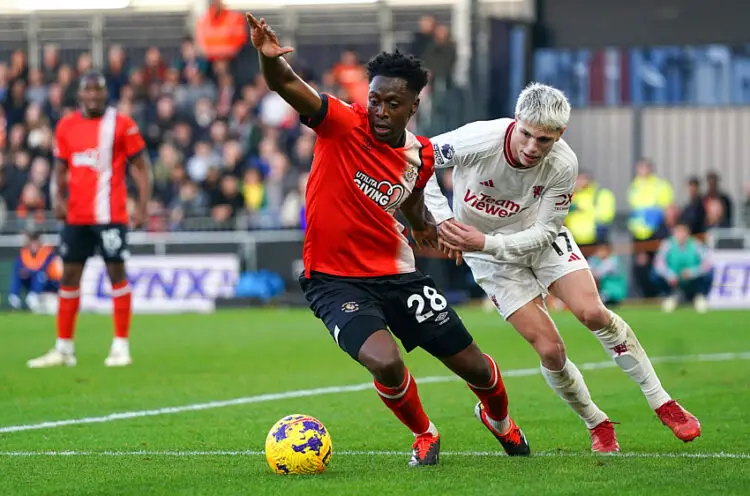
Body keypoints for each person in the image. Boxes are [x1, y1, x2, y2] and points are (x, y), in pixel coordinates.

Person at [246, 13, 529, 467]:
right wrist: (267, 59)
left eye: (392, 104)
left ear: (412, 105)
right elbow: (286, 84)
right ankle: (424, 432)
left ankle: (498, 419)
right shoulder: (340, 122)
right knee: (385, 361)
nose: (380, 111)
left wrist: (427, 230)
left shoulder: (421, 156)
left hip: (398, 275)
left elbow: (414, 206)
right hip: (335, 281)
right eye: (374, 100)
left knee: (474, 365)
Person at [424, 82, 701, 453]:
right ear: (515, 122)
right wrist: (442, 220)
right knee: (551, 351)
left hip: (537, 242)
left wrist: (483, 241)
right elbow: (417, 159)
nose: (531, 148)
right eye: (526, 134)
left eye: (544, 140)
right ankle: (597, 422)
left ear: (560, 135)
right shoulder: (478, 139)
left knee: (592, 312)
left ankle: (662, 400)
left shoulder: (563, 163)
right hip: (489, 258)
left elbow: (544, 233)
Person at [27, 71, 152, 368]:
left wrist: (142, 206)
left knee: (116, 275)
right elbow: (59, 169)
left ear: (105, 94)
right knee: (69, 277)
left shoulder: (122, 124)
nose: (94, 95)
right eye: (89, 91)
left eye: (99, 90)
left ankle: (121, 345)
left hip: (111, 215)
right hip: (76, 216)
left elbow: (141, 167)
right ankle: (64, 349)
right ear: (80, 95)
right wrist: (57, 199)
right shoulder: (66, 126)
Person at [653, 222, 713, 313]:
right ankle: (670, 296)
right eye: (678, 232)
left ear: (688, 233)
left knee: (710, 273)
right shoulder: (667, 244)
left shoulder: (696, 244)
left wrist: (693, 272)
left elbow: (707, 263)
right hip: (673, 279)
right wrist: (670, 274)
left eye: (683, 232)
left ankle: (700, 296)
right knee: (654, 275)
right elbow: (658, 263)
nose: (680, 235)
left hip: (693, 279)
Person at [8, 230, 61, 311]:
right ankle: (14, 297)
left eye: (35, 242)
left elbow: (44, 268)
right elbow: (19, 266)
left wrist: (29, 272)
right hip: (30, 280)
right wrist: (25, 272)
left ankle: (33, 296)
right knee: (18, 274)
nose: (34, 245)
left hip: (50, 282)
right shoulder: (25, 253)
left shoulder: (48, 252)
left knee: (40, 275)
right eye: (32, 242)